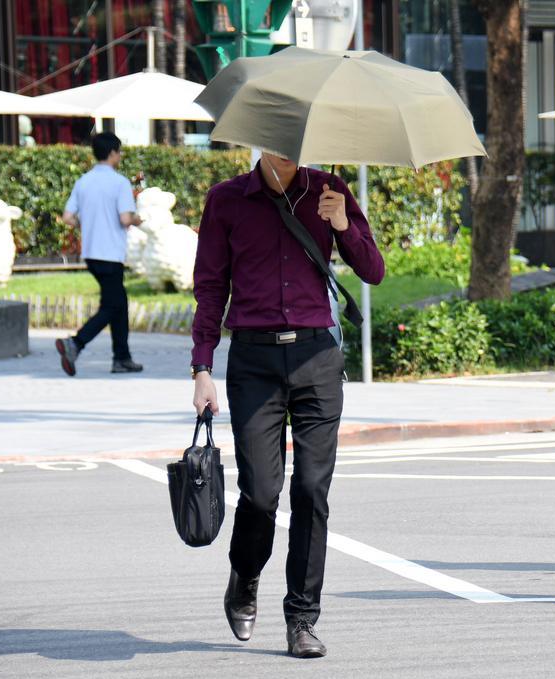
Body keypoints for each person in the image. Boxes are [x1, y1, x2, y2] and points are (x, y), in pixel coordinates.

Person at [190, 152, 384, 658]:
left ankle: (302, 618)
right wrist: (202, 367)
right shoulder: (227, 199)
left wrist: (342, 223)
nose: (289, 146)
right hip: (253, 362)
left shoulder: (330, 190)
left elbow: (373, 270)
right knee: (259, 492)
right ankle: (246, 575)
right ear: (259, 136)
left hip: (317, 357)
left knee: (312, 489)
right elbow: (211, 287)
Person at [55, 132, 144, 376]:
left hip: (92, 252)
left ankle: (122, 358)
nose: (120, 156)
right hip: (111, 253)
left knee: (119, 303)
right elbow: (125, 217)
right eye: (120, 151)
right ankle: (76, 343)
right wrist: (138, 219)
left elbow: (67, 217)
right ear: (114, 153)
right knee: (112, 306)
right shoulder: (119, 182)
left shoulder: (84, 181)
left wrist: (87, 223)